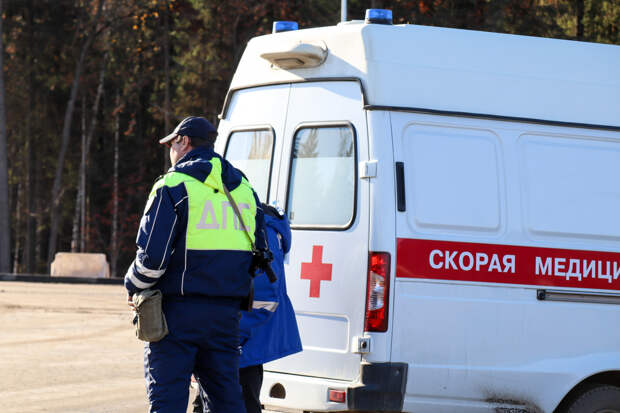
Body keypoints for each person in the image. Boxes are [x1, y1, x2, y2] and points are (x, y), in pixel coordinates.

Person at [124, 116, 267, 413]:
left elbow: (151, 261)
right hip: (226, 316)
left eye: (171, 145)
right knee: (226, 400)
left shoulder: (172, 185)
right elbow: (260, 253)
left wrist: (132, 285)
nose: (170, 152)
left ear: (184, 142)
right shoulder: (244, 189)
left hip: (177, 315)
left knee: (168, 401)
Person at [193, 203, 302, 413]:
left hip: (237, 343)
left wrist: (228, 338)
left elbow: (262, 294)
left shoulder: (255, 223)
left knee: (240, 403)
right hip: (225, 340)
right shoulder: (244, 217)